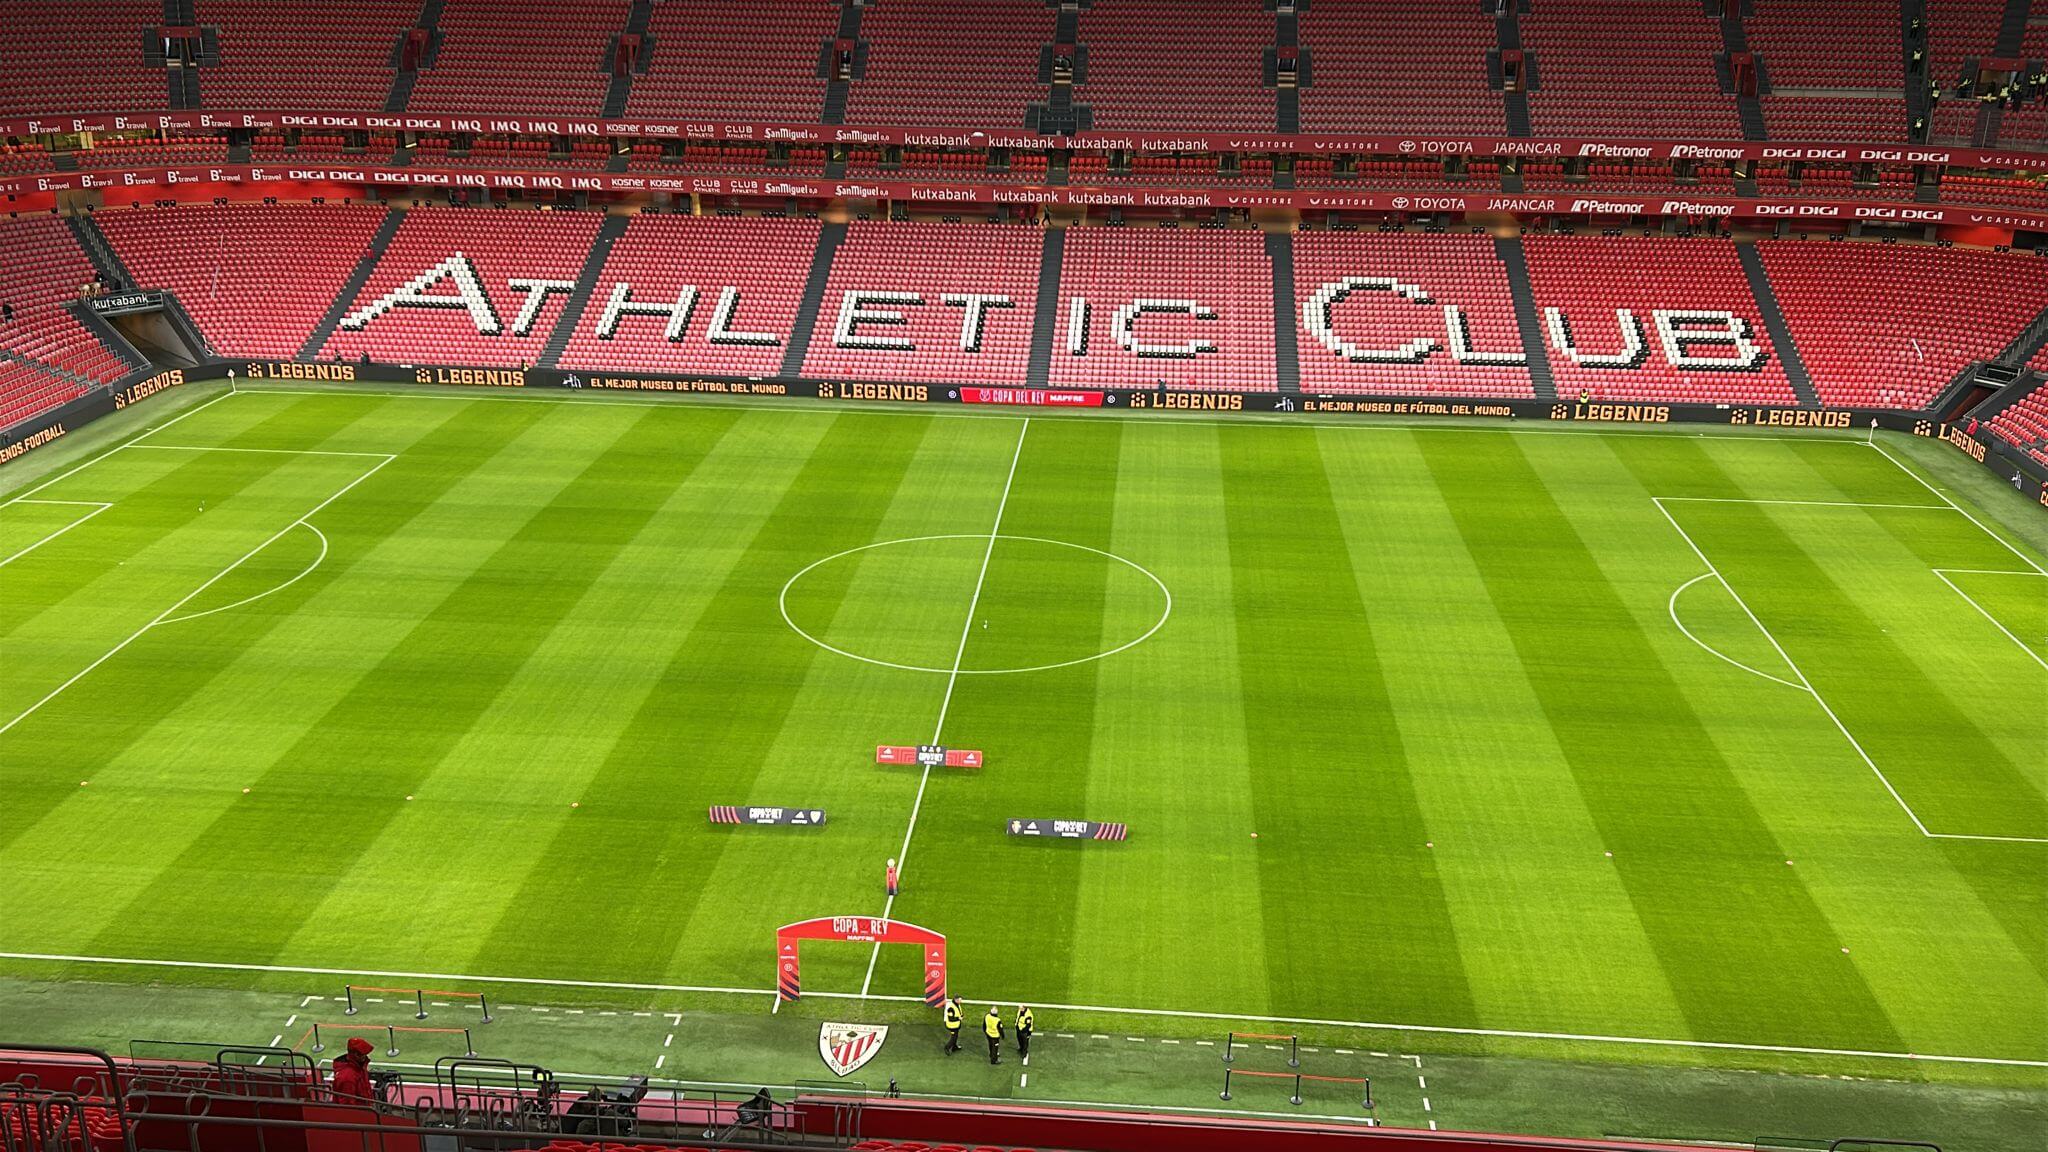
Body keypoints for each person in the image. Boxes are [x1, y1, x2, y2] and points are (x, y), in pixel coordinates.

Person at [330, 1036, 374, 1100]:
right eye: (364, 1054)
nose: (365, 1056)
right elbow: (348, 1106)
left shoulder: (359, 1067)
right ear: (356, 1054)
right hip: (361, 1109)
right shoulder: (347, 1077)